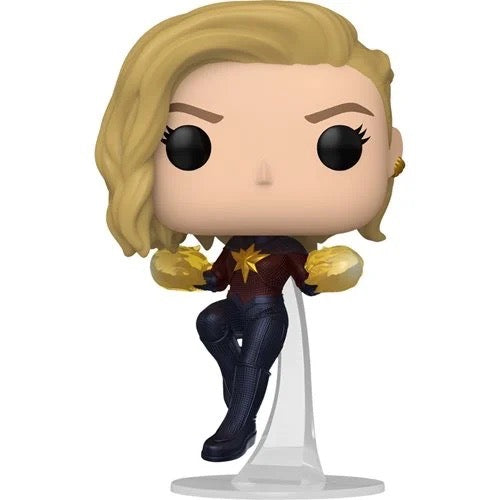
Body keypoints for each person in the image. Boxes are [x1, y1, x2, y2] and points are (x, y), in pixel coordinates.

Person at [95, 0, 404, 462]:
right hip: (238, 307)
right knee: (210, 322)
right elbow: (217, 278)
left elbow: (307, 281)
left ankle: (237, 426)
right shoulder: (239, 245)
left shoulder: (285, 249)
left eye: (338, 145)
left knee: (256, 360)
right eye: (190, 146)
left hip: (267, 313)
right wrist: (192, 275)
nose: (263, 175)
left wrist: (327, 274)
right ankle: (236, 381)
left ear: (391, 155)